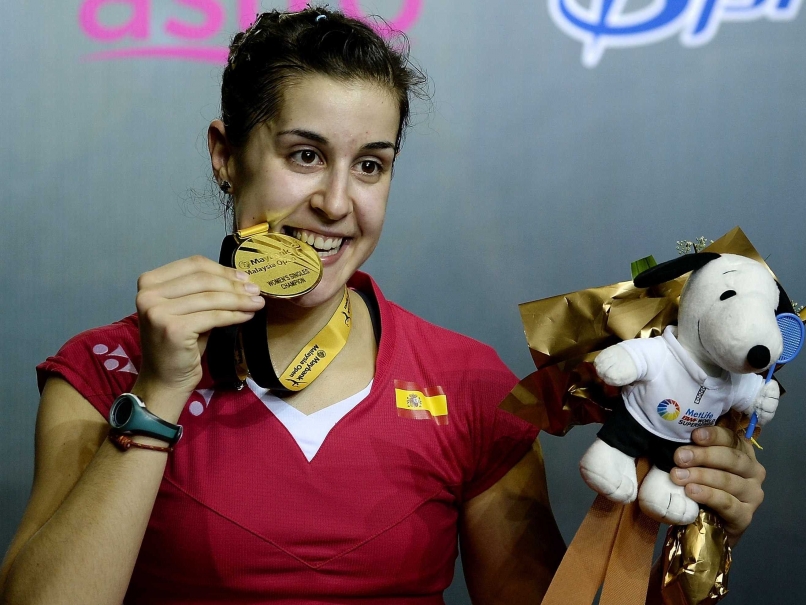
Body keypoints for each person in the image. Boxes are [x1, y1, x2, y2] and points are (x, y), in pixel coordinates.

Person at [0, 8, 767, 605]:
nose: (336, 202)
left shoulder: (468, 384)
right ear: (225, 155)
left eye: (370, 165)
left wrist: (684, 536)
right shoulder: (104, 369)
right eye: (305, 155)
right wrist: (161, 392)